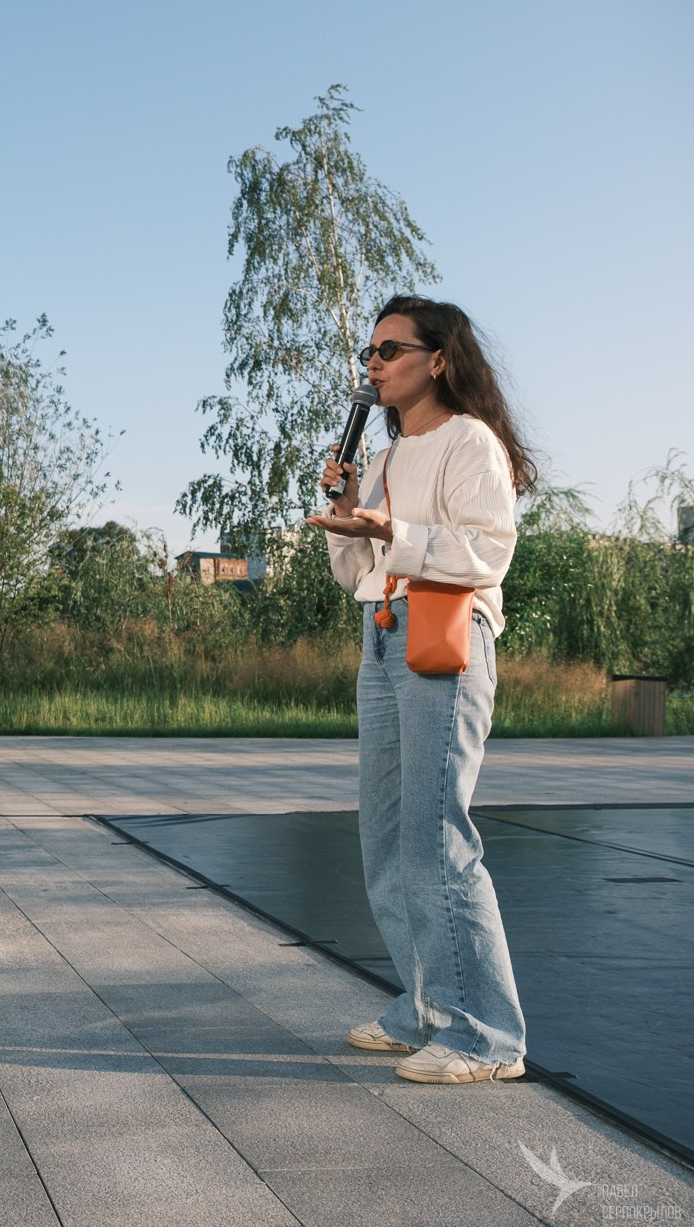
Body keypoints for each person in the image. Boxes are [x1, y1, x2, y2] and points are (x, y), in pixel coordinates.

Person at [308, 294, 535, 1085]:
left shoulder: (471, 441)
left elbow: (487, 553)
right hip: (381, 633)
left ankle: (487, 1035)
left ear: (436, 358)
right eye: (369, 353)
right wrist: (348, 517)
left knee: (437, 837)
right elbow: (361, 577)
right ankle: (423, 1008)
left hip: (443, 634)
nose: (372, 364)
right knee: (387, 835)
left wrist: (390, 531)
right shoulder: (383, 454)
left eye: (389, 349)